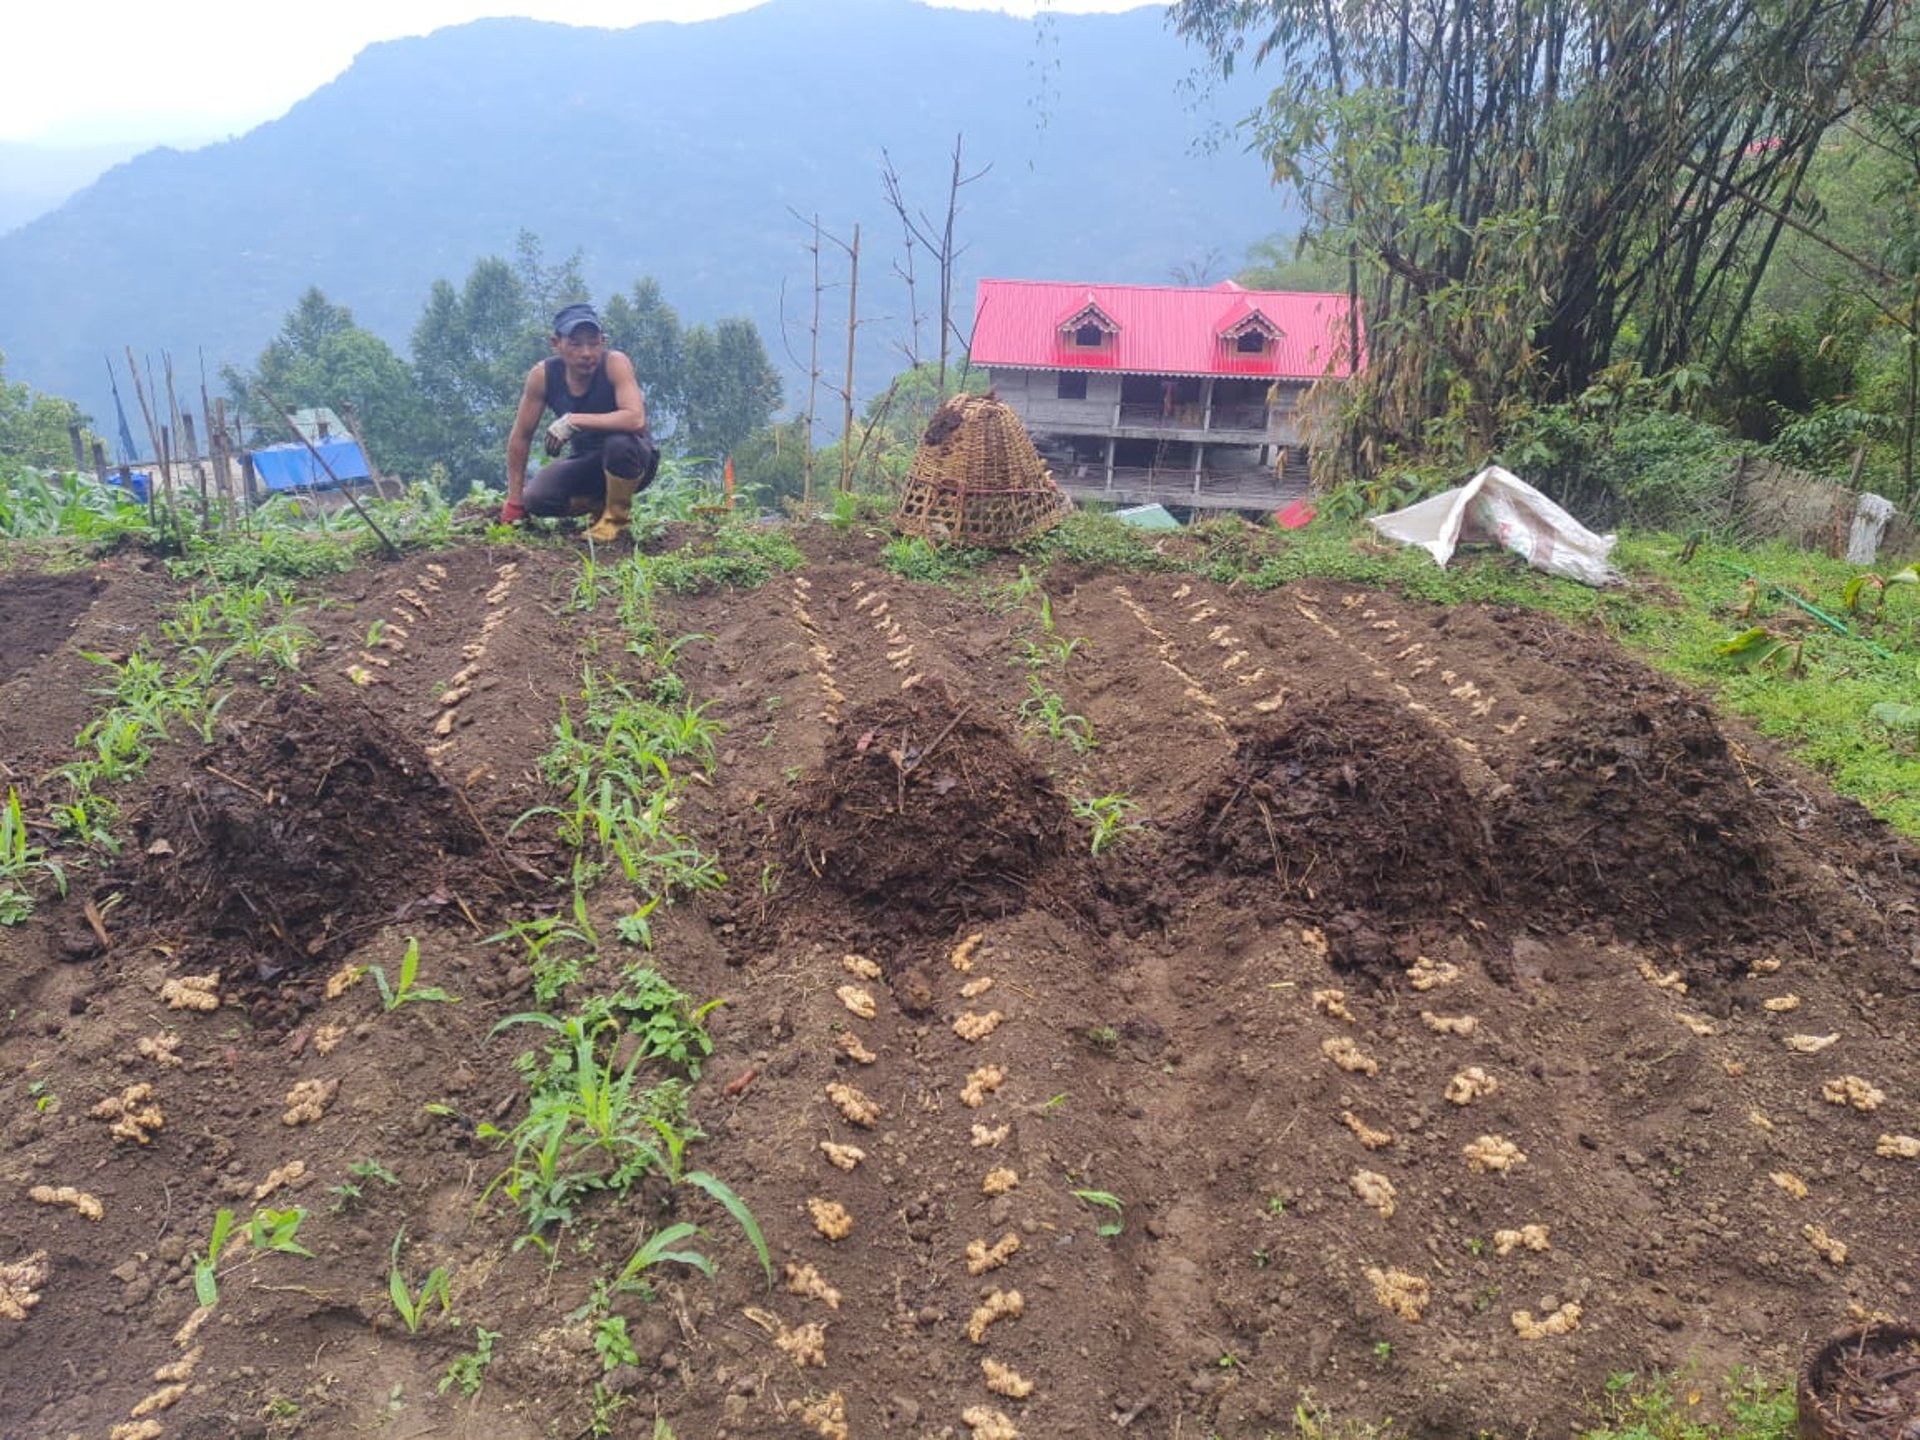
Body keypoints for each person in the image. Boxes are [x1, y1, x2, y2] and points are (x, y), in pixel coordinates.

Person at [501, 303, 658, 540]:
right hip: (587, 459)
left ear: (602, 341)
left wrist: (575, 420)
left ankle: (616, 519)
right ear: (556, 344)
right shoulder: (543, 376)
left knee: (618, 444)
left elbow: (635, 419)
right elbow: (521, 437)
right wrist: (514, 504)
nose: (586, 353)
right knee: (536, 498)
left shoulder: (615, 363)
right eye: (575, 344)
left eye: (593, 343)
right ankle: (599, 506)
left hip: (634, 458)